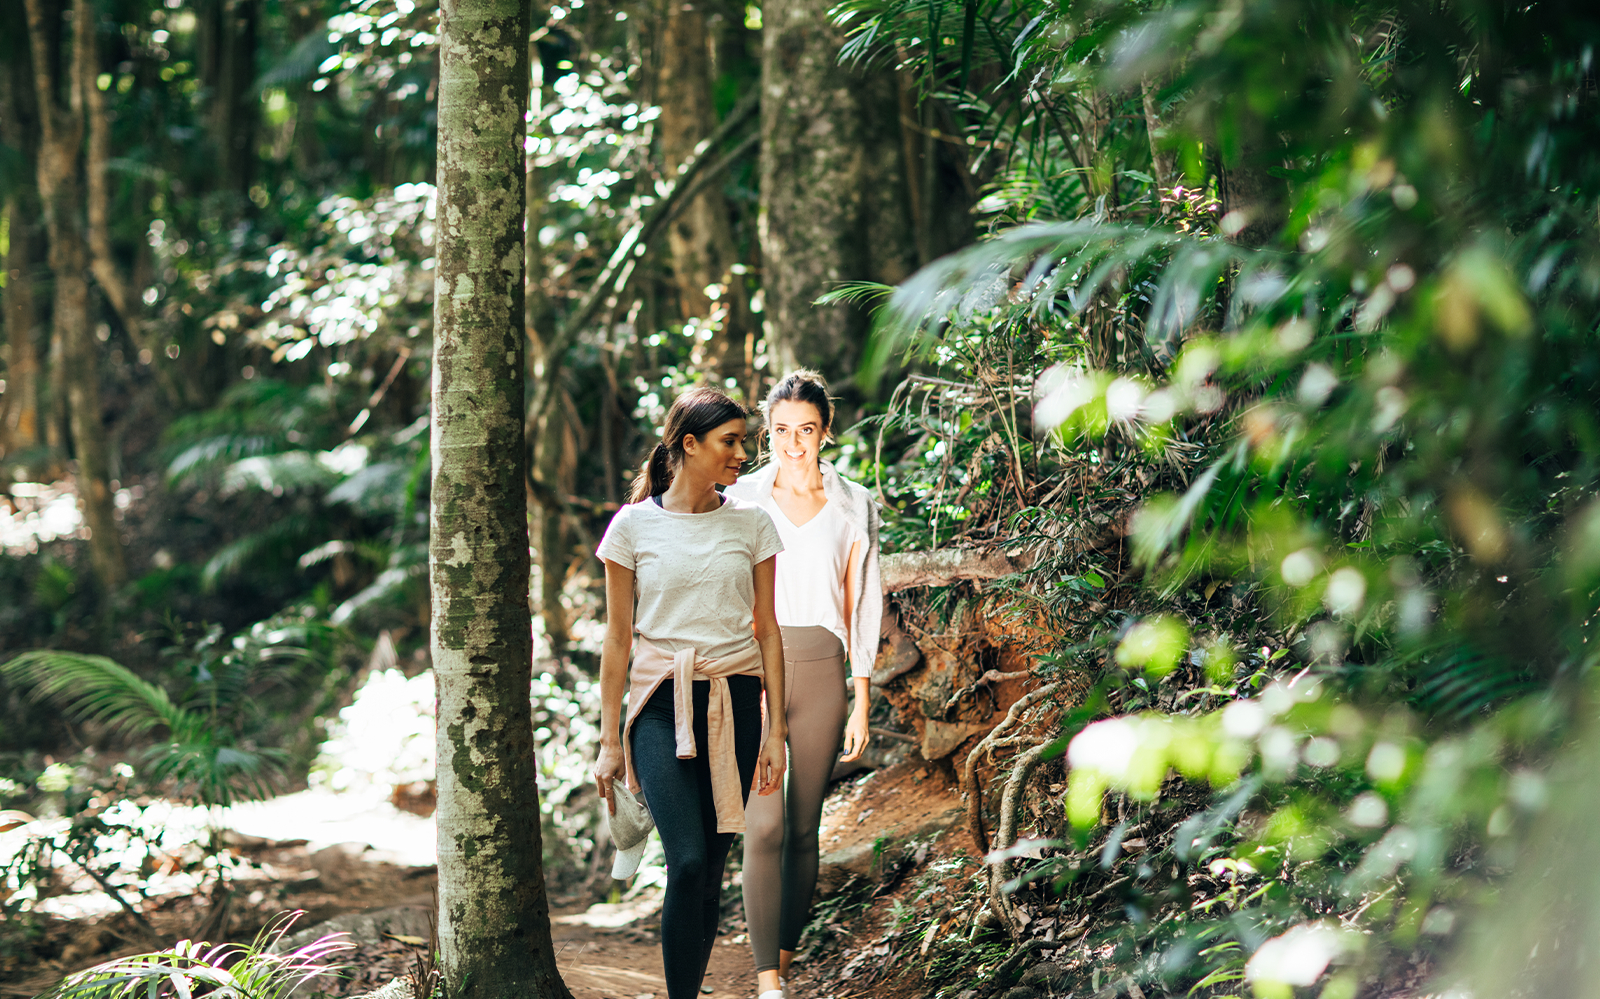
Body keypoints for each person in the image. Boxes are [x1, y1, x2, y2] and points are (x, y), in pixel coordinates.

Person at [592, 385, 790, 999]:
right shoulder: (632, 527)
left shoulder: (753, 524)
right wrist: (608, 742)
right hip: (659, 705)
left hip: (736, 702)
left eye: (744, 442)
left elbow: (768, 631)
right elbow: (618, 642)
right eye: (730, 442)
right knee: (689, 861)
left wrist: (776, 731)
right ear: (689, 444)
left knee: (711, 876)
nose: (741, 455)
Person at [726, 370, 883, 999]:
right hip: (754, 668)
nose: (795, 444)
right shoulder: (739, 498)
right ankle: (769, 985)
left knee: (802, 825)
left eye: (807, 430)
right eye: (783, 431)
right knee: (762, 825)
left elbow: (862, 601)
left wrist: (862, 695)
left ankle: (783, 961)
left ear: (826, 433)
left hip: (823, 672)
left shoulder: (854, 504)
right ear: (767, 433)